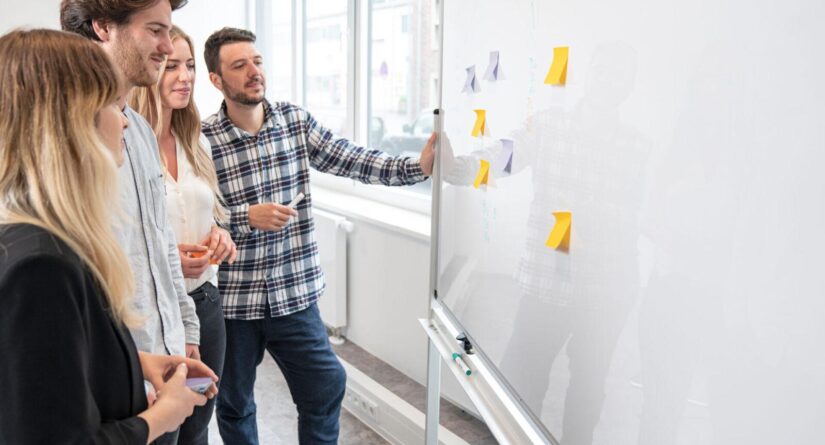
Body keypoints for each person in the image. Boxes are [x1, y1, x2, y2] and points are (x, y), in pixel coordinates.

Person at [201, 27, 435, 445]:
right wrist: (244, 217)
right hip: (235, 300)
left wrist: (416, 168)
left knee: (325, 386)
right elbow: (198, 220)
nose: (254, 71)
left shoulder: (294, 121)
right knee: (234, 403)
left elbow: (353, 159)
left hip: (294, 293)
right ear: (217, 80)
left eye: (257, 61)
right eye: (239, 65)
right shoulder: (202, 141)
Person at [0, 28, 218, 444]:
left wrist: (136, 364)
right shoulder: (41, 267)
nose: (124, 119)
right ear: (70, 121)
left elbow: (46, 373)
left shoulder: (38, 238)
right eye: (111, 104)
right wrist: (162, 417)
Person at [60, 1, 233, 442]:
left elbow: (156, 245)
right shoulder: (64, 134)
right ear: (102, 26)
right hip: (112, 371)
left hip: (165, 356)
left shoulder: (134, 129)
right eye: (155, 31)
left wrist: (184, 331)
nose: (165, 45)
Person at [130, 24, 238, 445]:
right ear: (151, 66)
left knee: (198, 421)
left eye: (190, 66)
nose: (185, 76)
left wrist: (220, 236)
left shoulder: (197, 142)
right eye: (172, 65)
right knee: (163, 426)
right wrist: (167, 255)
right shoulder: (125, 144)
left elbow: (211, 216)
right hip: (158, 316)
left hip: (205, 305)